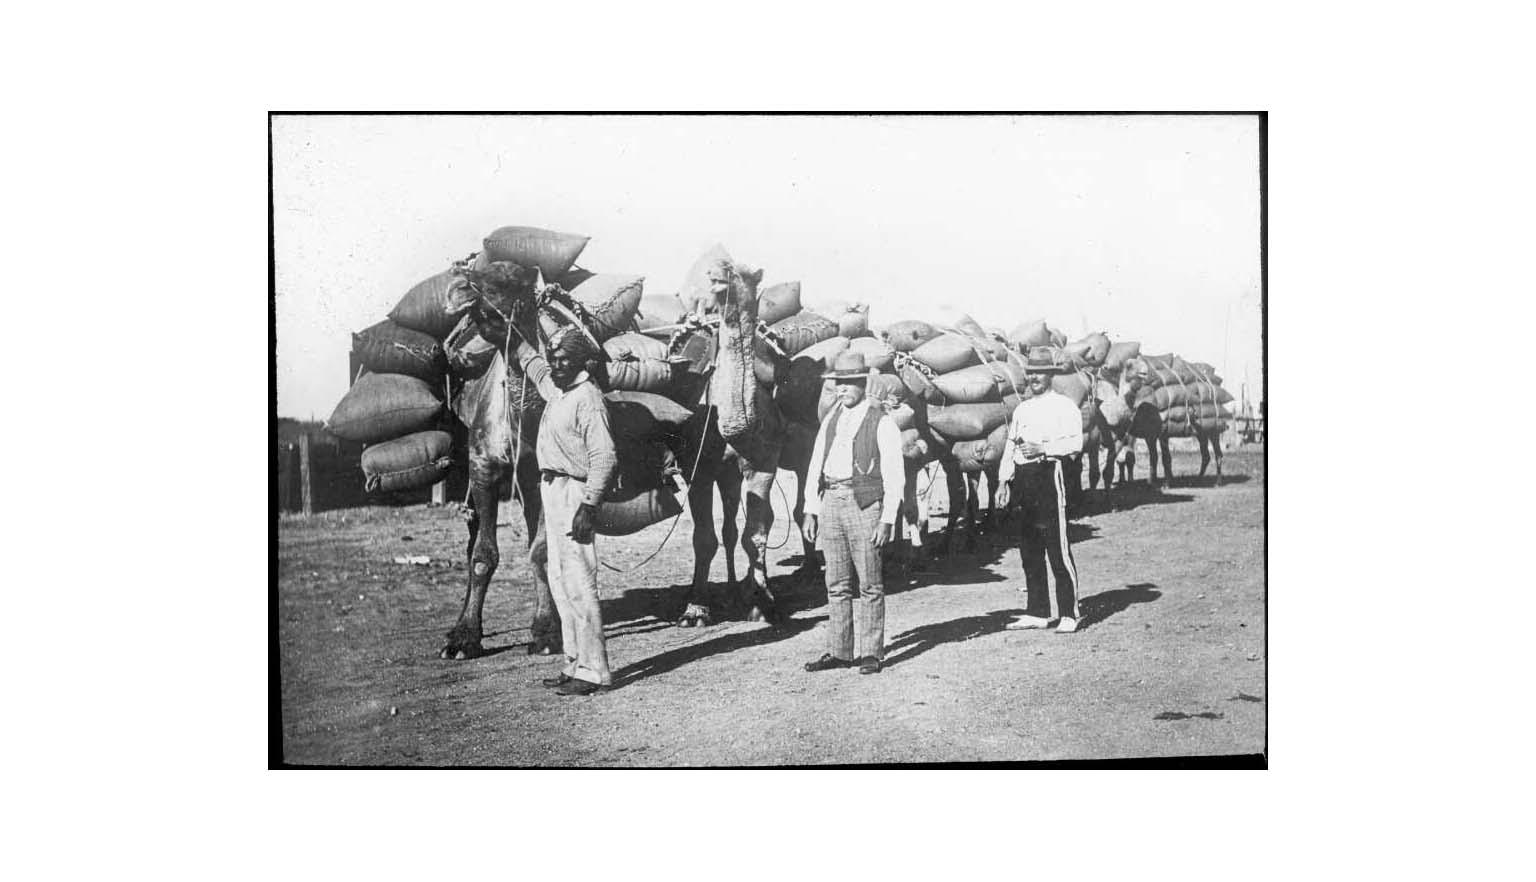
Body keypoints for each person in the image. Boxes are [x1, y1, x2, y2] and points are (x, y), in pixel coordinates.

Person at [515, 325, 618, 695]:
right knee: (559, 581)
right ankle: (574, 662)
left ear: (581, 363)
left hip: (576, 492)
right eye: (553, 360)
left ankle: (595, 672)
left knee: (580, 582)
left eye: (563, 360)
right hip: (552, 490)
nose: (555, 366)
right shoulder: (559, 390)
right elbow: (537, 370)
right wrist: (514, 338)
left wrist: (589, 506)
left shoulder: (588, 398)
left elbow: (604, 456)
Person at [800, 352, 906, 675]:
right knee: (836, 582)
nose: (842, 389)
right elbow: (815, 464)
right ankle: (839, 650)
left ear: (862, 383)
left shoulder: (881, 421)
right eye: (838, 383)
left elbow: (895, 474)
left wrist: (887, 519)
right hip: (832, 499)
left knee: (870, 582)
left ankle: (871, 652)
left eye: (848, 383)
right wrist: (810, 509)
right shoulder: (831, 419)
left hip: (865, 503)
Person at [995, 352, 1085, 633]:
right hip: (1023, 480)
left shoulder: (1064, 406)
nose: (1034, 377)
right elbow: (1011, 446)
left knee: (1056, 546)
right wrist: (1003, 481)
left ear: (1051, 375)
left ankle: (1069, 613)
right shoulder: (1023, 409)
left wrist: (1043, 448)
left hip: (1049, 474)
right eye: (1031, 372)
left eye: (1040, 372)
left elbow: (1076, 444)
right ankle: (1038, 611)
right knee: (1029, 547)